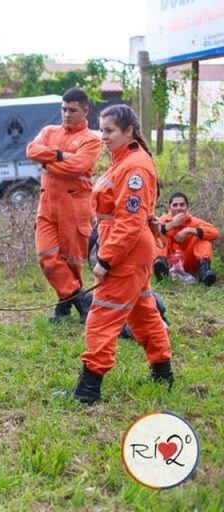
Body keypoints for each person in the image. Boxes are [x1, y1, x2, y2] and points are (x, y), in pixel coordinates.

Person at [72, 104, 173, 405]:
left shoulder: (134, 167)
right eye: (101, 130)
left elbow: (128, 222)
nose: (104, 136)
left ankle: (88, 390)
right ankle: (162, 372)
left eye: (110, 131)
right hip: (129, 248)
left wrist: (106, 260)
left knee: (102, 315)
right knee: (143, 312)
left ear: (128, 131)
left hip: (126, 252)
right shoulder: (124, 160)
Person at [26, 88, 102, 323]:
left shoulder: (91, 139)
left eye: (72, 110)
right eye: (64, 109)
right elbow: (31, 150)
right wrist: (60, 155)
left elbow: (77, 167)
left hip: (75, 208)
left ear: (85, 110)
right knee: (47, 258)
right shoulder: (49, 131)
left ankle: (63, 306)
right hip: (47, 207)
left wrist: (47, 163)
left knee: (72, 262)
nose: (67, 114)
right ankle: (81, 302)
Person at [153, 192, 218, 286]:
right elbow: (151, 233)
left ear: (187, 207)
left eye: (182, 205)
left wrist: (189, 230)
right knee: (160, 237)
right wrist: (172, 224)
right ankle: (161, 269)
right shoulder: (163, 220)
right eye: (175, 205)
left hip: (189, 261)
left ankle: (205, 272)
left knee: (203, 238)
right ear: (170, 207)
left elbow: (214, 232)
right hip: (169, 261)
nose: (178, 208)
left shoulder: (194, 222)